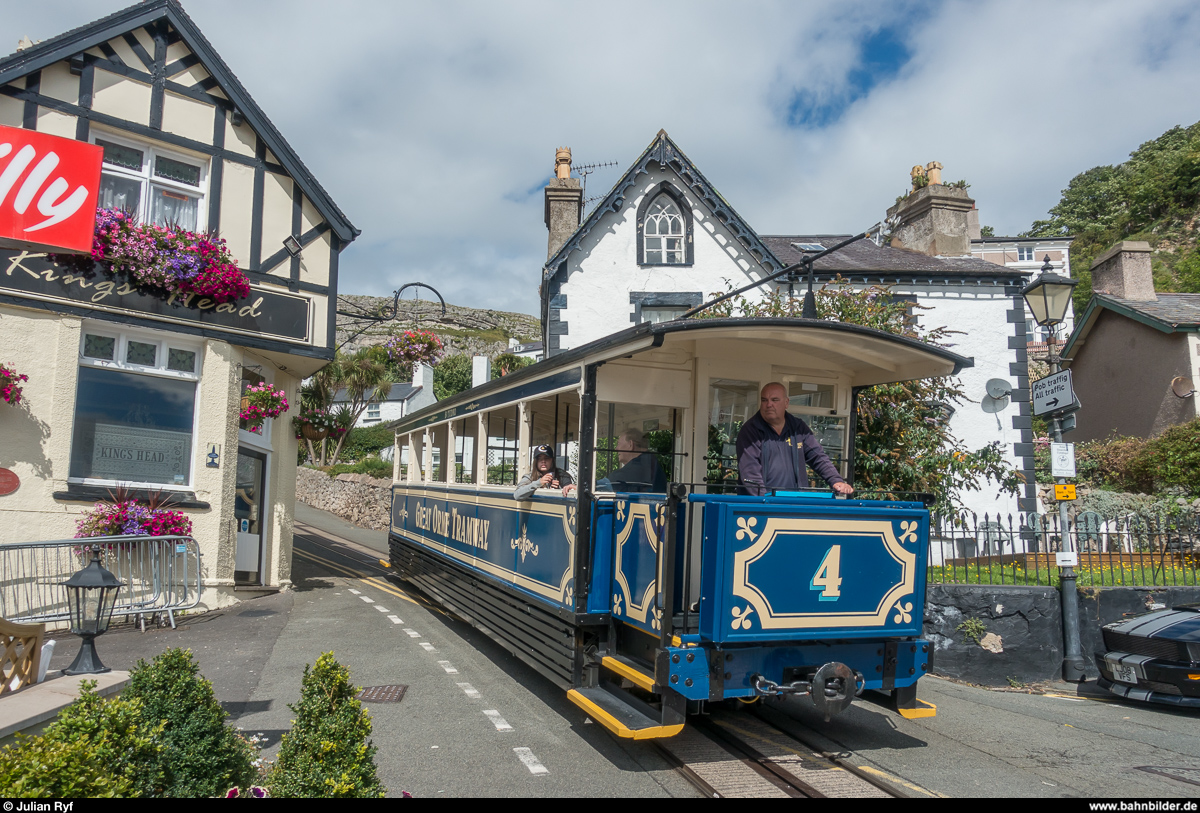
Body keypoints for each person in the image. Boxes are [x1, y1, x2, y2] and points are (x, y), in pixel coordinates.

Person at [736, 382, 854, 497]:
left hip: (795, 502)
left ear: (786, 403)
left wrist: (836, 480)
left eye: (774, 400)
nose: (769, 404)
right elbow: (750, 472)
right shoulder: (750, 430)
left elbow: (817, 456)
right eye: (764, 400)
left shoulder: (798, 428)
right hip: (763, 504)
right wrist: (764, 501)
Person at [596, 428, 668, 493]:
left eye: (618, 444)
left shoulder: (641, 464)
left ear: (630, 445)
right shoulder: (650, 461)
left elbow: (606, 485)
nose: (616, 449)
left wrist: (594, 485)